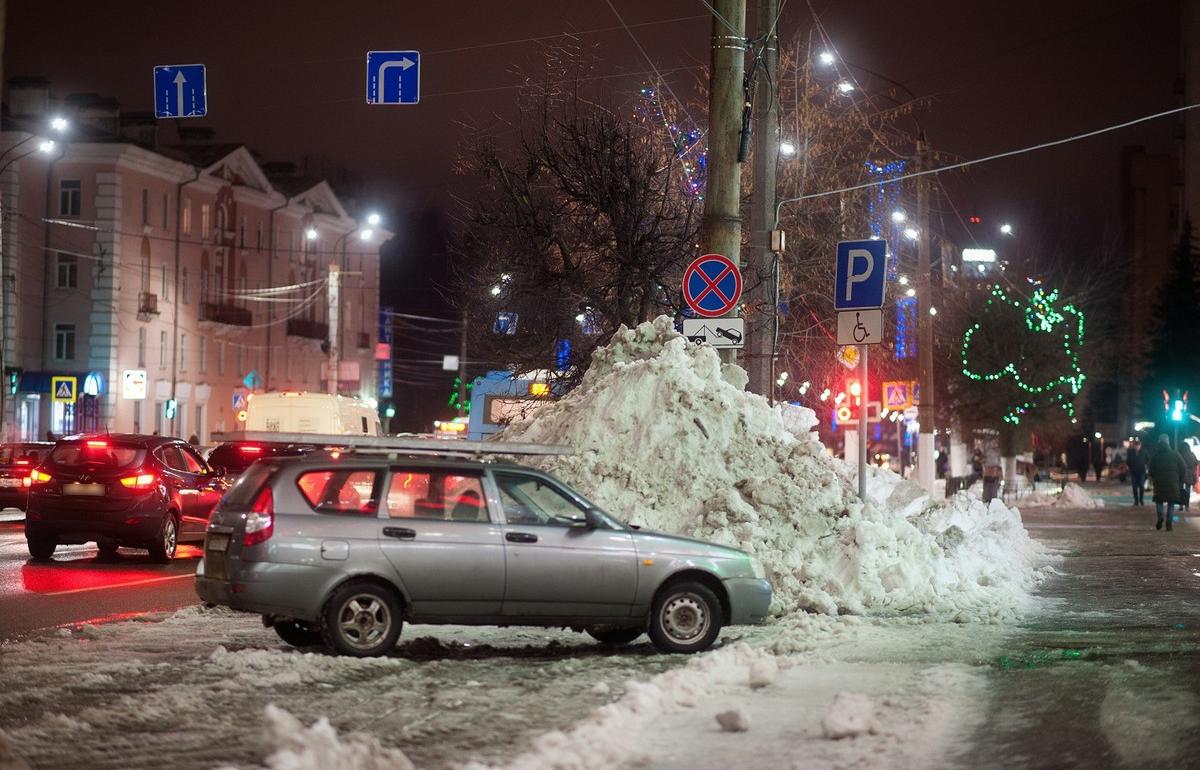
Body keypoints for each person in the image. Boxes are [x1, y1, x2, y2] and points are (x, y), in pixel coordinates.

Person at [1148, 434, 1186, 530]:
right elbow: (1183, 467)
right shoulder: (1175, 454)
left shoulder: (1155, 455)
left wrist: (1154, 478)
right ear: (1168, 442)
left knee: (1159, 501)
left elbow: (1150, 469)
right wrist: (1179, 479)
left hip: (1159, 483)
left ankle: (1160, 516)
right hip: (1173, 483)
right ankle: (1169, 524)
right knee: (1171, 503)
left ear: (1159, 442)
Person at [1179, 440, 1198, 512]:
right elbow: (1196, 464)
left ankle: (1180, 505)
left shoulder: (1180, 454)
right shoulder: (1192, 454)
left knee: (1180, 489)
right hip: (1190, 475)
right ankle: (1187, 506)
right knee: (1187, 491)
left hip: (1181, 474)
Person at [1127, 440, 1147, 507]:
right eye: (1136, 446)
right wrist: (1130, 467)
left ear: (1140, 446)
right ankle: (1136, 501)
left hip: (1142, 472)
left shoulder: (1144, 452)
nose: (1137, 447)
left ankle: (1141, 500)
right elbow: (1128, 461)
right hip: (1133, 472)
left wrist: (1146, 466)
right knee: (1134, 487)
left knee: (1141, 486)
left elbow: (1148, 459)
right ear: (1134, 446)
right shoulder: (1131, 452)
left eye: (1138, 445)